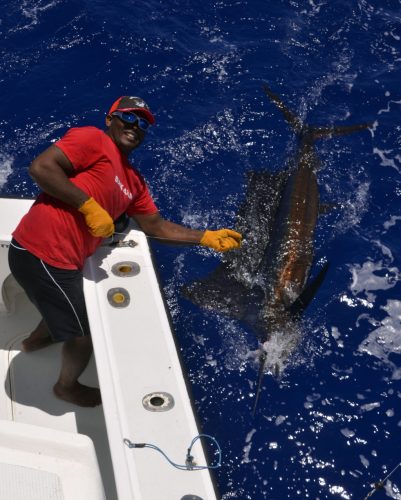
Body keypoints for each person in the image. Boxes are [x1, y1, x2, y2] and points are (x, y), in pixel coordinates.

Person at [8, 96, 242, 407]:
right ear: (110, 119)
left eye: (142, 123)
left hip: (65, 261)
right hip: (39, 253)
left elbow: (156, 227)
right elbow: (42, 168)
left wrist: (205, 237)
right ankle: (66, 387)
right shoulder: (92, 139)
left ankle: (36, 341)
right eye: (128, 118)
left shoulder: (134, 183)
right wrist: (88, 206)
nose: (135, 126)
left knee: (64, 306)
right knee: (83, 333)